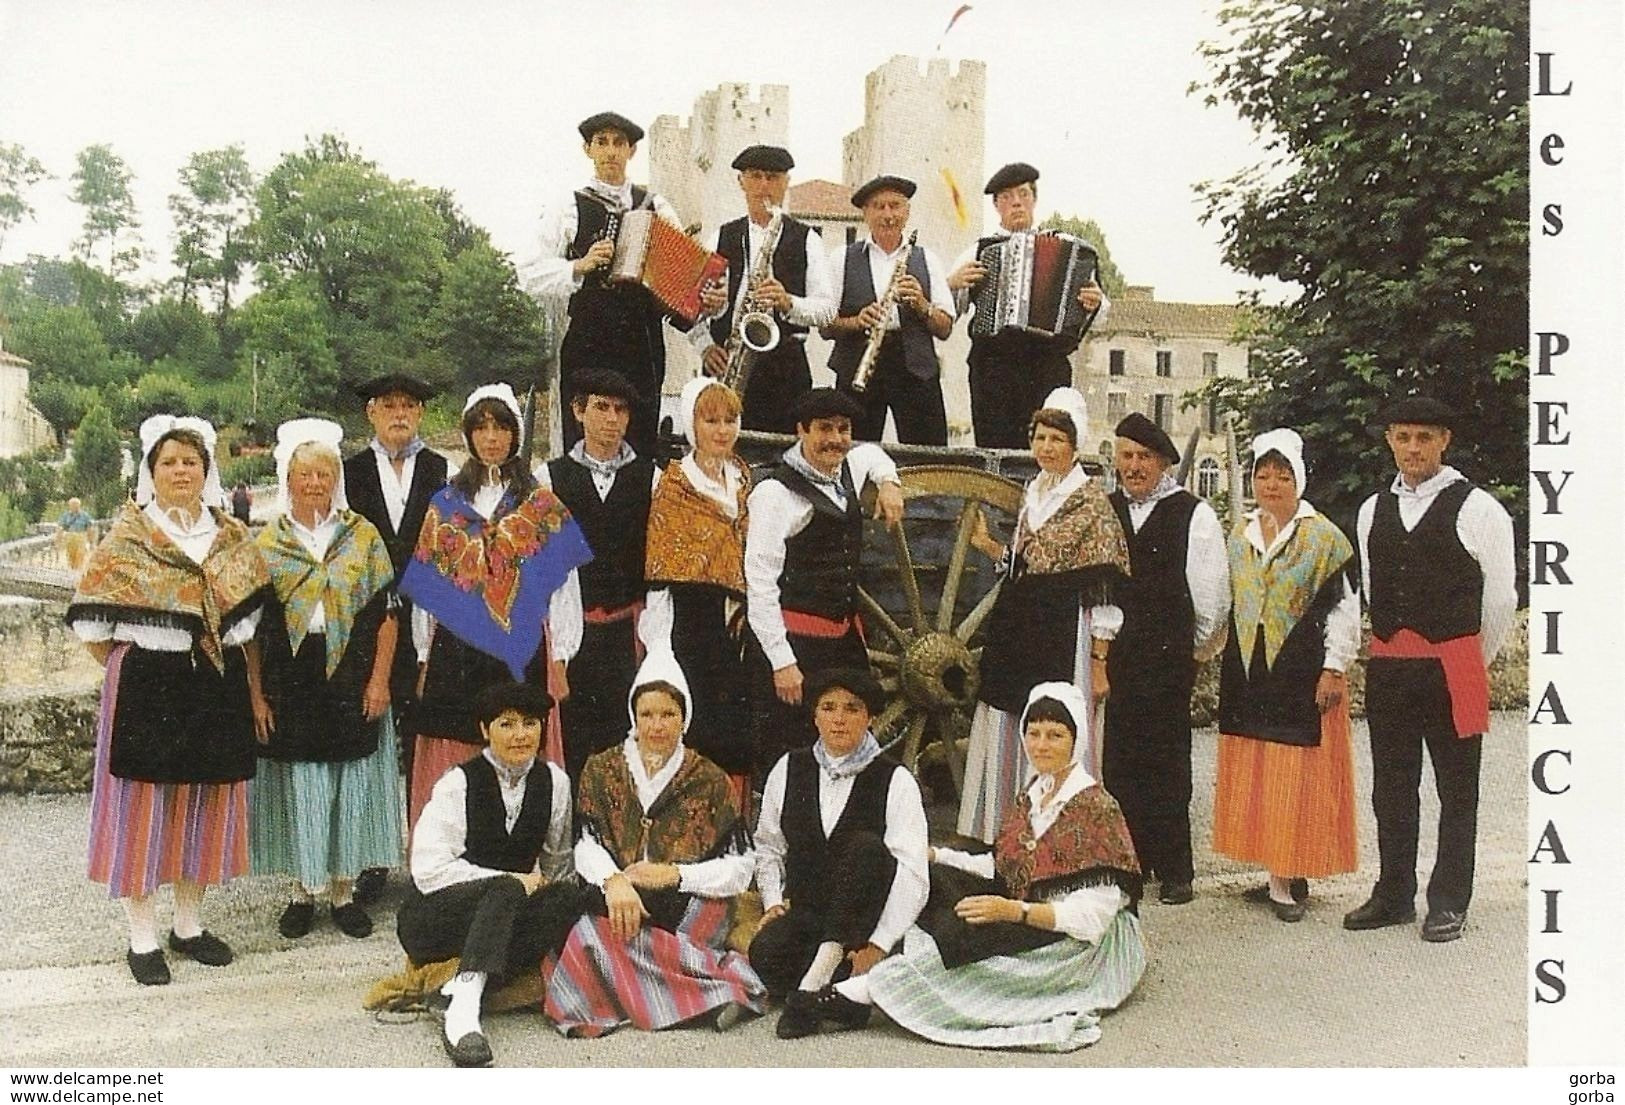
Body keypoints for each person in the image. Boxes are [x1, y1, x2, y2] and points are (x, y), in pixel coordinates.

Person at [66, 415, 272, 985]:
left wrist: (243, 684)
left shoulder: (231, 537)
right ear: (150, 472)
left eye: (191, 461)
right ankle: (141, 936)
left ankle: (188, 924)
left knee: (204, 802)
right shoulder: (130, 539)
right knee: (143, 808)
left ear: (206, 470)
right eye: (169, 462)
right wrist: (133, 669)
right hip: (149, 684)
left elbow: (249, 624)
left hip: (216, 679)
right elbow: (95, 625)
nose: (181, 471)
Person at [841, 682, 1145, 1051]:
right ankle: (885, 966)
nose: (1042, 745)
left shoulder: (1096, 807)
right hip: (1026, 905)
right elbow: (1002, 865)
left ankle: (874, 988)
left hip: (1073, 936)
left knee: (965, 927)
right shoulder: (1035, 792)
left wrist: (1012, 910)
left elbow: (1092, 917)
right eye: (1033, 733)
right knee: (933, 879)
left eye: (1055, 735)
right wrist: (938, 856)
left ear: (1076, 739)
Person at [1344, 397, 1516, 942]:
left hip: (1458, 661)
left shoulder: (1479, 508)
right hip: (1392, 663)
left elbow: (1501, 600)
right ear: (1389, 440)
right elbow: (1372, 587)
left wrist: (1471, 658)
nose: (1412, 448)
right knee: (1391, 787)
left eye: (1424, 437)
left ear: (1444, 440)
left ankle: (1448, 901)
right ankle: (1394, 893)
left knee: (1457, 789)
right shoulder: (1372, 509)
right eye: (1402, 437)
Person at [399, 383, 591, 830]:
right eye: (481, 427)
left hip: (521, 644)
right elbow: (429, 587)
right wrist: (424, 654)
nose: (491, 437)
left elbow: (564, 583)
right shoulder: (446, 502)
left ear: (515, 435)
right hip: (456, 646)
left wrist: (561, 654)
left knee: (518, 740)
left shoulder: (539, 503)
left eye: (501, 426)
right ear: (468, 435)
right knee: (456, 744)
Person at [543, 651, 766, 1036]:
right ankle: (721, 989)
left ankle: (620, 989)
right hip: (616, 898)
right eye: (647, 714)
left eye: (668, 715)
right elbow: (585, 844)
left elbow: (740, 867)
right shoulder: (602, 769)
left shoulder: (710, 778)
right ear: (634, 717)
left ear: (685, 718)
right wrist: (615, 882)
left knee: (590, 936)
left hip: (688, 900)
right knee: (592, 924)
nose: (657, 726)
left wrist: (674, 875)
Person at [248, 419, 403, 940]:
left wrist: (380, 681)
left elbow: (387, 615)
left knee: (346, 785)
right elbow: (250, 631)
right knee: (301, 787)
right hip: (290, 677)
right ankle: (301, 891)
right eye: (305, 474)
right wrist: (255, 695)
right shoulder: (269, 543)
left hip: (351, 672)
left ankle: (341, 891)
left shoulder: (361, 535)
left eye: (325, 474)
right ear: (287, 479)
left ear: (337, 479)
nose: (316, 483)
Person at [958, 389, 1130, 843]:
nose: (1047, 447)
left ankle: (1058, 836)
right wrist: (991, 547)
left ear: (1075, 445)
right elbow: (1025, 566)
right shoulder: (1033, 493)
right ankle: (1009, 831)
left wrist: (1098, 662)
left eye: (1057, 438)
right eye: (1040, 437)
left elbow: (1104, 591)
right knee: (1012, 717)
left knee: (1054, 721)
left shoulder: (1092, 503)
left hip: (1063, 627)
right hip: (1019, 621)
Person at [1212, 429, 1360, 922]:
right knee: (1259, 766)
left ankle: (1285, 877)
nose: (1271, 483)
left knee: (1293, 771)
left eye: (1282, 473)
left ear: (1299, 477)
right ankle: (1278, 867)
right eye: (1262, 472)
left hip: (1301, 669)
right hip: (1250, 670)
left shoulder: (1324, 538)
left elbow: (1344, 610)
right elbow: (1224, 598)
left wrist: (1334, 668)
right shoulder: (1240, 533)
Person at [397, 681, 580, 1067]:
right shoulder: (458, 783)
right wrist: (506, 881)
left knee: (565, 898)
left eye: (529, 723)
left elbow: (557, 864)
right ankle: (462, 1015)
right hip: (436, 919)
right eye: (506, 724)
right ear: (485, 729)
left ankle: (458, 986)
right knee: (508, 887)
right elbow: (428, 872)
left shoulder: (555, 783)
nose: (520, 735)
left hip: (500, 921)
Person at [750, 667, 929, 1039]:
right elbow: (768, 845)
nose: (839, 718)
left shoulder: (895, 780)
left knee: (866, 847)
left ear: (870, 718)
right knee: (765, 953)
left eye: (852, 708)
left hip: (861, 928)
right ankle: (842, 995)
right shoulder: (788, 768)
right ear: (815, 715)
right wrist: (772, 903)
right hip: (810, 912)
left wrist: (878, 944)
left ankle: (817, 983)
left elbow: (913, 874)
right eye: (829, 707)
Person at [1101, 412, 1231, 905]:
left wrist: (1191, 649)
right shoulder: (1106, 507)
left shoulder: (1191, 513)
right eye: (1127, 457)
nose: (1134, 467)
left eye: (1144, 458)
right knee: (1120, 761)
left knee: (1167, 761)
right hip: (1116, 654)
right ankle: (1130, 864)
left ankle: (1176, 868)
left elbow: (1212, 593)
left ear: (1163, 463)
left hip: (1167, 654)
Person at [744, 388, 904, 780]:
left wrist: (889, 482)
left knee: (848, 744)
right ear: (801, 431)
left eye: (843, 429)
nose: (835, 439)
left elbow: (874, 456)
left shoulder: (849, 465)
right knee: (793, 752)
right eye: (824, 429)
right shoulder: (774, 493)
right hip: (797, 648)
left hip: (843, 642)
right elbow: (760, 583)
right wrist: (782, 663)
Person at [343, 372, 451, 903]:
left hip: (426, 620)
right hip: (367, 624)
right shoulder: (350, 472)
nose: (399, 414)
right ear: (371, 413)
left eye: (409, 405)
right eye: (389, 405)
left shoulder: (439, 470)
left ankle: (425, 857)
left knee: (421, 738)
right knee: (370, 739)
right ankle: (369, 858)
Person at [524, 111, 687, 458]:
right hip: (589, 339)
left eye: (619, 143)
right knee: (581, 443)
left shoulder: (655, 206)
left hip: (641, 342)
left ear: (631, 152)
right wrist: (578, 267)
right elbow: (529, 272)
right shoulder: (568, 205)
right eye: (602, 143)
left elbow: (682, 278)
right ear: (588, 149)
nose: (611, 151)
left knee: (640, 441)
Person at [641, 376, 754, 810]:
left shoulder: (743, 480)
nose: (722, 430)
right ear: (693, 425)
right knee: (697, 728)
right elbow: (662, 575)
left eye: (730, 420)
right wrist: (658, 648)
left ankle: (730, 828)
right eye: (711, 421)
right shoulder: (673, 487)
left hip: (739, 626)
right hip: (692, 623)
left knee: (735, 732)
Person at [536, 369, 652, 782]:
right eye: (601, 407)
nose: (612, 420)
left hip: (627, 632)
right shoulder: (549, 478)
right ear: (578, 411)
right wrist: (555, 654)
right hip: (570, 637)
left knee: (624, 743)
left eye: (620, 410)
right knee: (569, 741)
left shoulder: (650, 478)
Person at [947, 163, 1109, 449]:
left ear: (1034, 199)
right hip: (994, 365)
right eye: (1007, 197)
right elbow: (947, 312)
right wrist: (953, 283)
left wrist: (1095, 302)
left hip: (1047, 363)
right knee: (995, 447)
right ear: (997, 205)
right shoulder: (979, 250)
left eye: (1023, 194)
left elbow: (1099, 318)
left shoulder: (1068, 247)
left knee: (1049, 444)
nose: (1017, 202)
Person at [690, 145, 837, 434]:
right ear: (741, 182)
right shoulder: (720, 236)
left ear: (786, 183)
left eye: (773, 177)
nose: (764, 186)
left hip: (787, 371)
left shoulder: (807, 239)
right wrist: (704, 346)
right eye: (755, 176)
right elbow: (690, 304)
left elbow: (828, 310)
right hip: (727, 364)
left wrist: (788, 302)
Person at [821, 175, 955, 446]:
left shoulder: (927, 258)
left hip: (915, 370)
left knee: (928, 454)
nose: (888, 215)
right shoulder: (841, 258)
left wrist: (922, 305)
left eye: (895, 206)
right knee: (854, 454)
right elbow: (825, 327)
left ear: (907, 212)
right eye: (878, 207)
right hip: (858, 366)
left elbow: (945, 328)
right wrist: (857, 321)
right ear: (865, 213)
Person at [56, 496, 96, 571]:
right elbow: (60, 528)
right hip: (70, 537)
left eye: (76, 505)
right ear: (69, 506)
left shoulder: (85, 516)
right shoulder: (66, 515)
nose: (74, 507)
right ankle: (72, 571)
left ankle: (78, 572)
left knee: (80, 557)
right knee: (70, 557)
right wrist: (58, 540)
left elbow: (89, 529)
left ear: (79, 505)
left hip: (80, 537)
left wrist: (92, 543)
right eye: (72, 505)